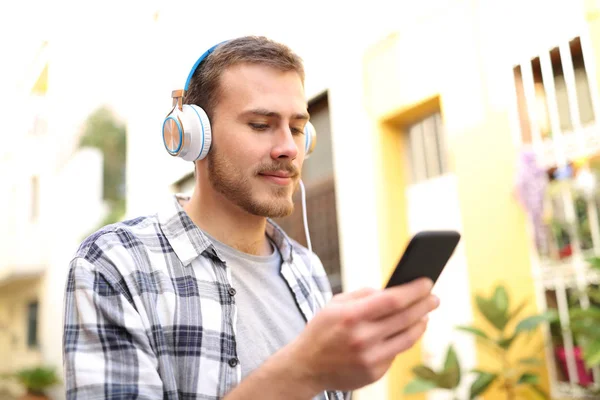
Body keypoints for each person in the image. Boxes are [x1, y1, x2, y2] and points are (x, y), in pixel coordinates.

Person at [62, 36, 440, 400]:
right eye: (260, 125)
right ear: (193, 136)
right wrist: (305, 370)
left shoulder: (306, 269)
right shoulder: (116, 264)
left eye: (296, 128)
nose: (289, 149)